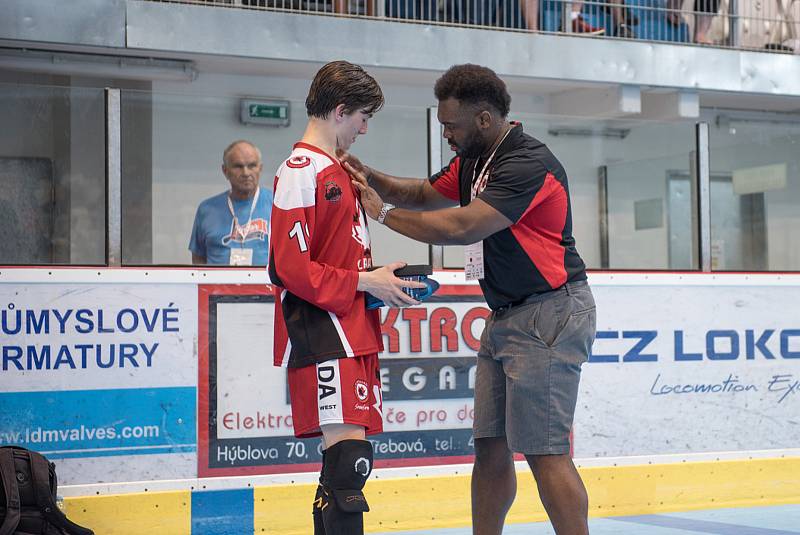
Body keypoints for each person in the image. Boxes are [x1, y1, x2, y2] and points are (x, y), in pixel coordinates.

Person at [342, 63, 596, 535]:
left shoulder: (527, 162)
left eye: (450, 125)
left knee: (545, 451)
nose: (445, 134)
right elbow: (420, 193)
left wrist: (383, 215)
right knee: (490, 446)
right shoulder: (474, 161)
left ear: (482, 119)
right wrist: (368, 175)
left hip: (551, 313)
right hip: (506, 318)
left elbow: (463, 226)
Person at [267, 60, 425, 535]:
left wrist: (378, 284)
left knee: (346, 467)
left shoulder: (338, 170)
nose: (365, 128)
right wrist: (364, 283)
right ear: (339, 111)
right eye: (362, 117)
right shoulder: (300, 170)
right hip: (322, 331)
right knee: (348, 465)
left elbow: (339, 259)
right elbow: (287, 268)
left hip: (351, 329)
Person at [189, 140, 273, 265]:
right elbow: (198, 258)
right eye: (238, 166)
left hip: (265, 284)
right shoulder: (207, 210)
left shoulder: (277, 205)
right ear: (225, 171)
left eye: (252, 166)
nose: (246, 173)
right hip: (217, 284)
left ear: (260, 168)